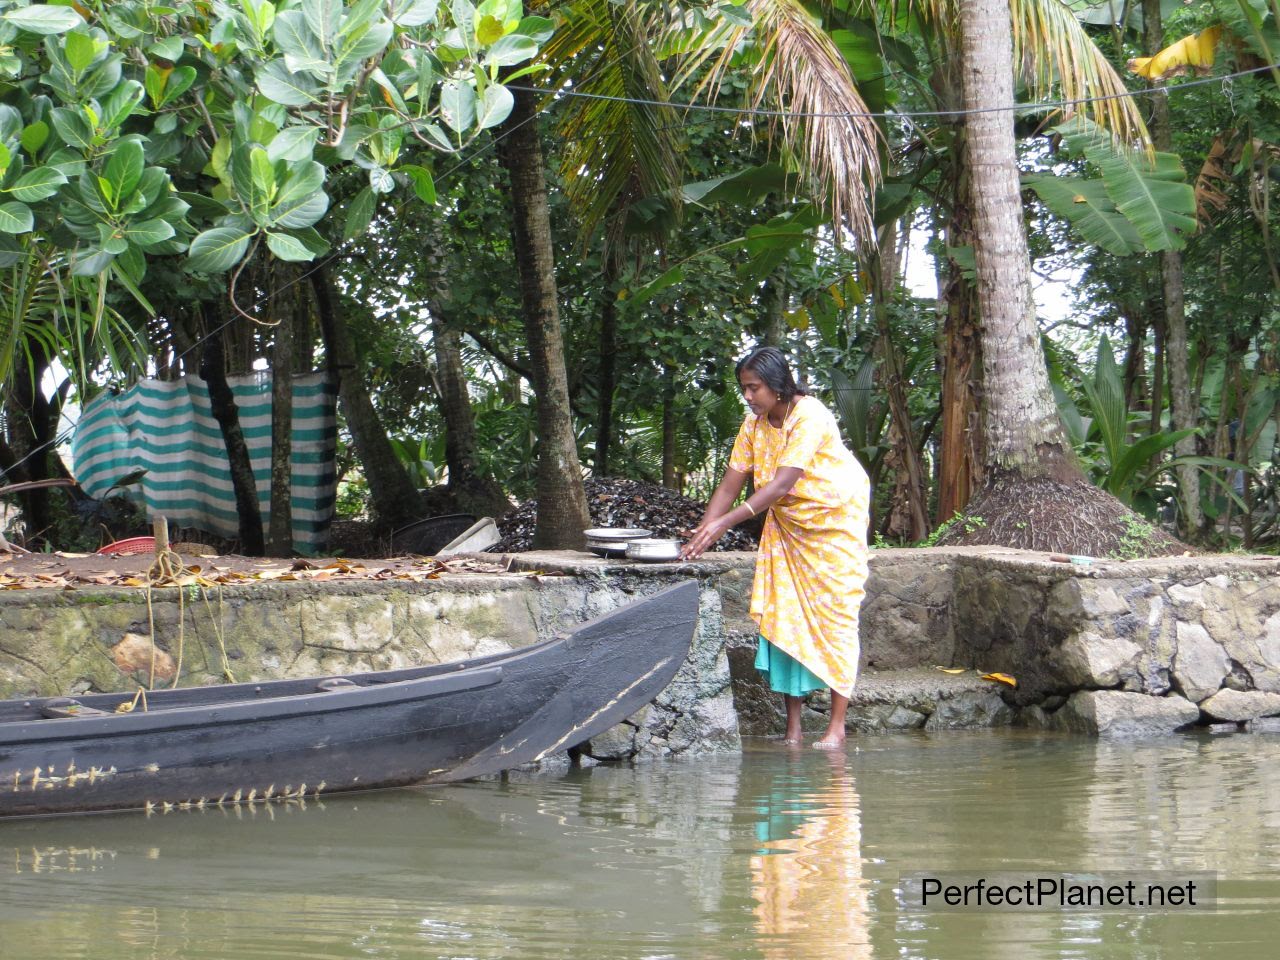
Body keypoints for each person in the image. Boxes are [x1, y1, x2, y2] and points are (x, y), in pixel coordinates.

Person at [681, 346, 871, 748]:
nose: (748, 397)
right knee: (787, 620)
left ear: (778, 384)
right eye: (744, 390)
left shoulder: (810, 415)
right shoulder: (754, 425)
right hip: (788, 528)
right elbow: (731, 484)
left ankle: (836, 728)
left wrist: (724, 525)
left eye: (754, 388)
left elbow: (782, 483)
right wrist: (702, 531)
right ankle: (794, 729)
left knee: (837, 617)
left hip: (834, 524)